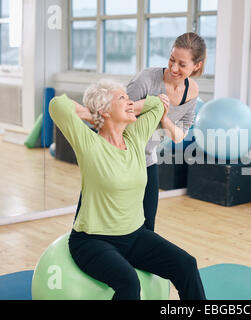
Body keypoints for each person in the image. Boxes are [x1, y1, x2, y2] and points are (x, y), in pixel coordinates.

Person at [49, 80, 206, 300]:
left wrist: (128, 107)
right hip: (92, 241)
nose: (130, 101)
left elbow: (157, 105)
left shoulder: (135, 137)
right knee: (129, 282)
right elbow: (57, 105)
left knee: (187, 265)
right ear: (104, 111)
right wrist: (91, 113)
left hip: (135, 236)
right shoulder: (89, 144)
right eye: (122, 98)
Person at [74, 32, 207, 232]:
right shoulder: (146, 79)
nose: (173, 68)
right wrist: (151, 105)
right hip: (116, 156)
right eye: (171, 60)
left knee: (147, 223)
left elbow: (179, 136)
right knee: (90, 215)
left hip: (146, 159)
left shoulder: (192, 92)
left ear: (196, 65)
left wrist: (163, 117)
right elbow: (117, 114)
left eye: (182, 64)